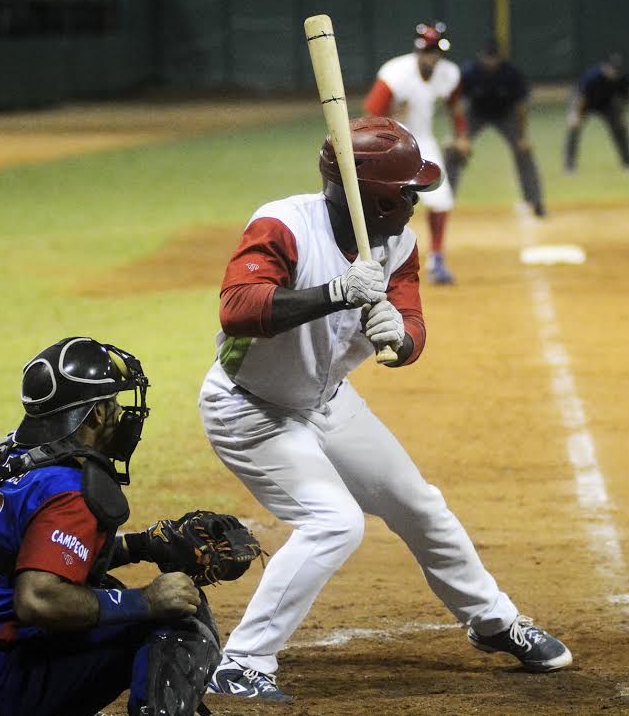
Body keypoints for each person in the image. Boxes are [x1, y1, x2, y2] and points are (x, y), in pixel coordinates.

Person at [199, 116, 572, 703]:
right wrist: (336, 293)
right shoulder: (284, 225)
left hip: (327, 401)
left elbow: (413, 327)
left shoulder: (397, 242)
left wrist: (399, 340)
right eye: (407, 191)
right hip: (251, 410)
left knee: (418, 503)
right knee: (333, 523)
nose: (415, 201)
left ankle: (494, 621)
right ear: (374, 198)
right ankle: (242, 662)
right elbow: (238, 308)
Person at [0, 337, 229, 716]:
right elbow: (38, 598)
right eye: (113, 404)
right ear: (94, 415)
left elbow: (31, 553)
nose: (122, 414)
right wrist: (144, 601)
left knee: (96, 592)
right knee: (179, 615)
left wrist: (141, 547)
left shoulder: (11, 458)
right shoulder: (68, 488)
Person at [364, 21, 469, 284]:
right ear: (418, 51)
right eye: (427, 51)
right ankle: (375, 262)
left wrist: (462, 136)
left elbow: (455, 107)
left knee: (442, 200)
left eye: (435, 52)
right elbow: (371, 115)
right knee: (386, 205)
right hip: (392, 144)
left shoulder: (449, 73)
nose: (431, 57)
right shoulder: (395, 73)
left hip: (424, 141)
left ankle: (436, 260)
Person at [446, 37, 546, 217]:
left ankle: (536, 202)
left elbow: (520, 108)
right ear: (481, 57)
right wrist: (459, 136)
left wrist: (522, 138)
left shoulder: (511, 74)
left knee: (524, 152)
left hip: (505, 114)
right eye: (488, 57)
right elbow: (457, 105)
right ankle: (444, 201)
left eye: (494, 58)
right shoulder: (469, 73)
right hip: (476, 113)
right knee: (455, 152)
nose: (491, 62)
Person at [564, 52, 629, 173]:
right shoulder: (592, 77)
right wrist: (575, 114)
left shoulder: (624, 78)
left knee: (621, 128)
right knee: (574, 128)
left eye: (618, 71)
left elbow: (625, 100)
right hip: (585, 103)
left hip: (606, 104)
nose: (615, 73)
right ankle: (569, 165)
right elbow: (580, 97)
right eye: (613, 70)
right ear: (606, 67)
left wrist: (621, 116)